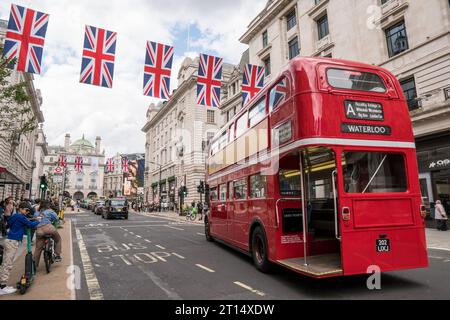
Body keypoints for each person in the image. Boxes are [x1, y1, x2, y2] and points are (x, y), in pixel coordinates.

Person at [0, 202, 41, 295]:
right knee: (7, 264)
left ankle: (3, 285)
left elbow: (12, 223)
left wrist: (31, 219)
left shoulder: (15, 216)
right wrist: (38, 220)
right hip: (13, 242)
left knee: (6, 263)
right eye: (26, 210)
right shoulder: (21, 217)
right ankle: (2, 287)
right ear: (21, 209)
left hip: (9, 240)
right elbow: (30, 225)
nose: (27, 212)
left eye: (28, 210)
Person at [33, 200, 62, 268]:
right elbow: (56, 218)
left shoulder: (36, 213)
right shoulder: (50, 211)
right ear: (48, 205)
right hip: (49, 228)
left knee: (38, 248)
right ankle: (57, 255)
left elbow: (34, 221)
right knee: (58, 240)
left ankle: (34, 265)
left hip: (39, 230)